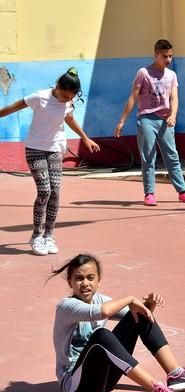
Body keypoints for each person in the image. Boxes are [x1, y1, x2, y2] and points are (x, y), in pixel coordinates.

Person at [51, 253, 185, 392]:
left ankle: (175, 374)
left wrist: (149, 304)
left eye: (90, 278)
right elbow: (103, 312)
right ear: (70, 282)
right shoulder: (67, 306)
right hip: (78, 387)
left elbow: (137, 317)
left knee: (137, 316)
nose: (85, 283)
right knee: (101, 336)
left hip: (105, 380)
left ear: (99, 281)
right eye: (79, 278)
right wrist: (130, 299)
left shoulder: (100, 299)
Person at [0, 68, 100, 256]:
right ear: (58, 86)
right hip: (35, 149)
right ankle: (36, 236)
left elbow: (69, 119)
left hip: (55, 149)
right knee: (44, 190)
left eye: (69, 97)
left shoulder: (68, 102)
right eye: (63, 95)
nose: (65, 100)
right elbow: (14, 106)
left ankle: (48, 236)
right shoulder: (39, 97)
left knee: (55, 192)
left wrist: (85, 138)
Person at [115, 39, 185, 206]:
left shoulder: (171, 75)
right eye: (164, 56)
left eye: (171, 56)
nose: (168, 60)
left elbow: (174, 98)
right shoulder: (143, 73)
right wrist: (122, 121)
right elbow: (133, 97)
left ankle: (182, 191)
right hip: (146, 119)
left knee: (172, 156)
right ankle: (149, 193)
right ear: (156, 55)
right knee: (148, 157)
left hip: (165, 120)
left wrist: (173, 115)